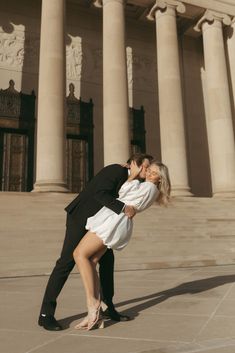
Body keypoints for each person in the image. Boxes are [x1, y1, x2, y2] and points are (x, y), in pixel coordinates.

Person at [38, 153, 153, 331]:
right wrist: (123, 208)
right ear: (134, 164)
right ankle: (46, 314)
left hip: (101, 225)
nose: (147, 170)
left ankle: (109, 308)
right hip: (81, 217)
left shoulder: (136, 183)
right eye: (145, 166)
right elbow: (100, 193)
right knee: (66, 262)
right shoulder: (115, 171)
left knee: (107, 262)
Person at [73, 160, 171, 330]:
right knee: (93, 260)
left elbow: (123, 191)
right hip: (116, 220)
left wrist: (133, 174)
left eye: (154, 173)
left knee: (79, 254)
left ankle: (93, 305)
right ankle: (97, 313)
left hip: (112, 221)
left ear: (160, 179)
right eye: (149, 170)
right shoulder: (151, 190)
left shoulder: (148, 188)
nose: (148, 174)